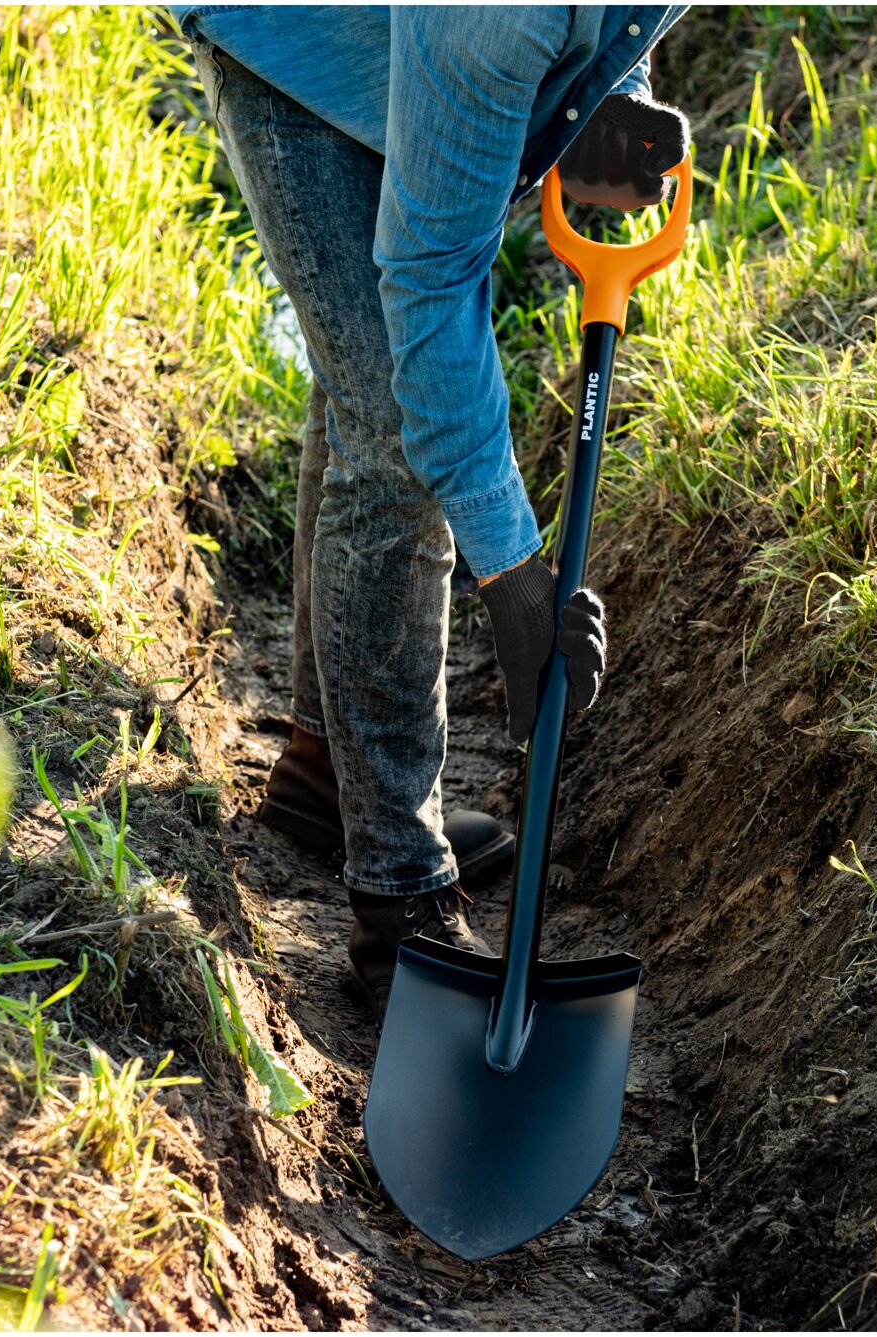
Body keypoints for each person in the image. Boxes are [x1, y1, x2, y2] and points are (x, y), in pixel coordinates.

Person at [169, 5, 690, 1018]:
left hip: (424, 39)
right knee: (394, 427)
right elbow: (429, 282)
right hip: (293, 45)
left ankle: (328, 772)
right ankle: (397, 894)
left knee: (371, 389)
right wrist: (512, 575)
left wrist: (611, 94)